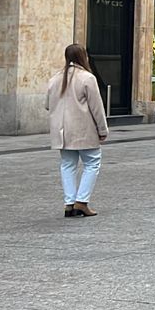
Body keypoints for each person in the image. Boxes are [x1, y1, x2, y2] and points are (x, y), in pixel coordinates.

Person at [45, 43, 108, 217]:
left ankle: (69, 203)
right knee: (92, 162)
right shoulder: (87, 78)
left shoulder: (55, 78)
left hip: (62, 132)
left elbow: (47, 105)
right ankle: (81, 201)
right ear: (83, 57)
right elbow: (97, 108)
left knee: (67, 165)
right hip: (83, 129)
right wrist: (102, 129)